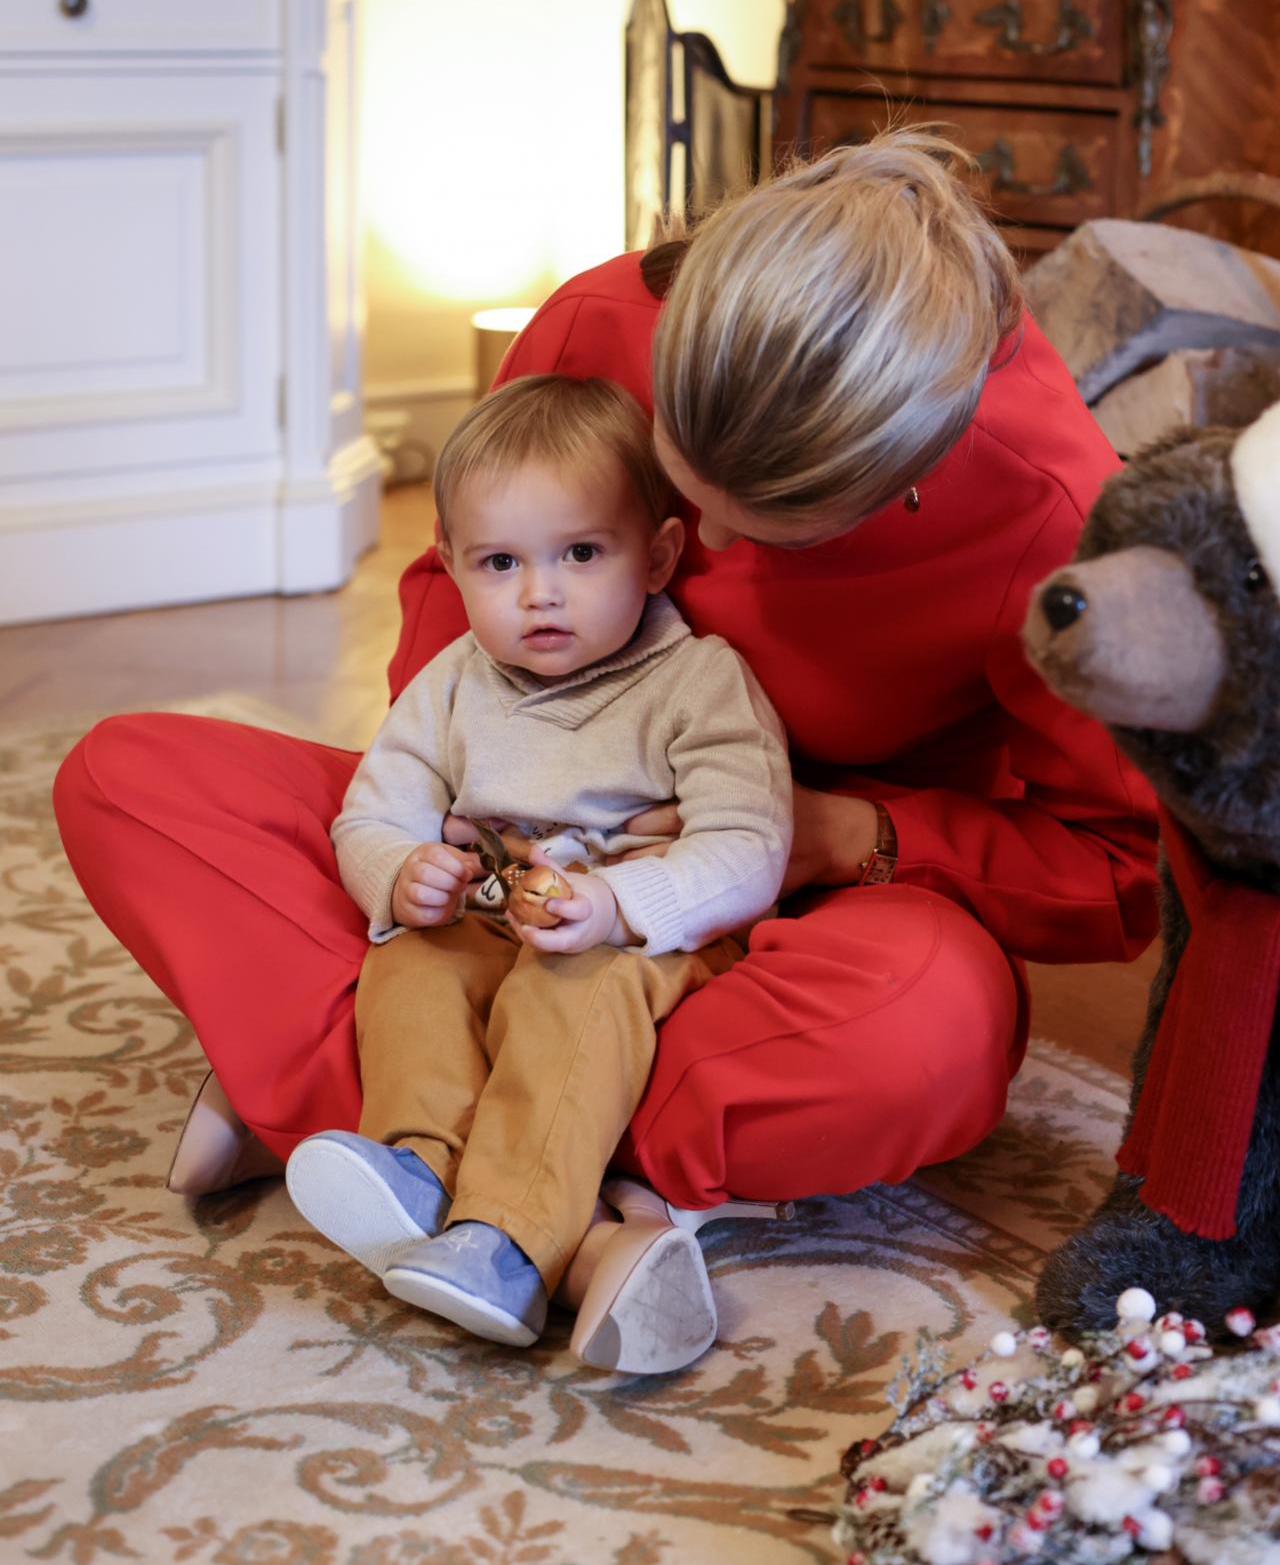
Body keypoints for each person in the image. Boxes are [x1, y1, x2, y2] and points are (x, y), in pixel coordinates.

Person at [53, 129, 1159, 1367]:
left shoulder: (1056, 511)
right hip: (509, 858)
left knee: (927, 1028)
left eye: (771, 540)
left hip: (782, 899)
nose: (704, 559)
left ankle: (386, 1126)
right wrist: (442, 802)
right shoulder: (594, 317)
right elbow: (448, 569)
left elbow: (1117, 867)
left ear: (902, 478)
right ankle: (572, 1217)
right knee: (127, 779)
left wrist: (843, 832)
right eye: (682, 498)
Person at [285, 372, 791, 1364]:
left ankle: (508, 1237)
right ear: (451, 565)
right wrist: (397, 871)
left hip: (627, 935)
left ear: (657, 555)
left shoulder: (696, 681)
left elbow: (749, 843)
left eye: (580, 553)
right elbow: (372, 808)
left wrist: (618, 903)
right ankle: (415, 1171)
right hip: (486, 907)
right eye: (500, 561)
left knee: (571, 998)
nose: (539, 591)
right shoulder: (453, 683)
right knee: (410, 965)